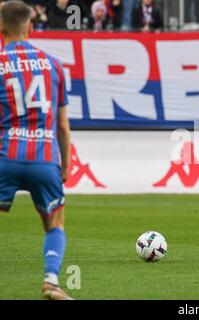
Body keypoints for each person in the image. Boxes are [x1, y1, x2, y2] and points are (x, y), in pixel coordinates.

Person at [0, 1, 72, 300]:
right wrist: (65, 165)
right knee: (55, 221)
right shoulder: (53, 64)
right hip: (44, 158)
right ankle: (51, 281)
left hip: (5, 155)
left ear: (1, 29)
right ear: (31, 27)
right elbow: (63, 126)